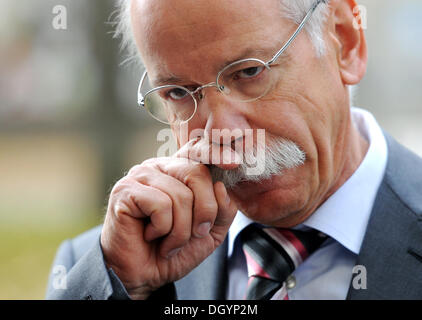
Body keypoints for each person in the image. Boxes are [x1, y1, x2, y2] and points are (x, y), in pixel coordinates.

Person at [46, 0, 422, 300]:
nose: (222, 132)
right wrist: (128, 289)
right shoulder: (108, 272)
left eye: (248, 72)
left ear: (345, 40)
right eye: (178, 93)